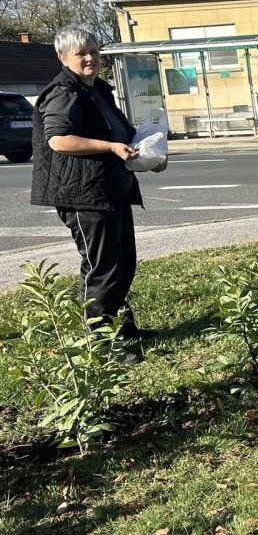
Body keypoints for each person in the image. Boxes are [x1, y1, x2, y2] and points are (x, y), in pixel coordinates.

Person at [29, 24, 161, 361]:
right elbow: (59, 139)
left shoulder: (97, 89)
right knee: (102, 266)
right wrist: (111, 147)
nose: (90, 58)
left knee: (123, 263)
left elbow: (123, 134)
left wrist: (147, 156)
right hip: (82, 194)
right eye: (81, 53)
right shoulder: (64, 92)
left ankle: (122, 327)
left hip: (109, 190)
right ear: (63, 58)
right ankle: (102, 343)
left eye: (93, 51)